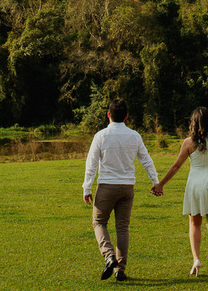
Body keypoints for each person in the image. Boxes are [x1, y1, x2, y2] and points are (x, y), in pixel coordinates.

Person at [82, 99, 162, 282]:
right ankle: (120, 270)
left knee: (99, 222)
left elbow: (91, 164)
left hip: (106, 187)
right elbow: (146, 160)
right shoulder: (134, 136)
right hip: (127, 187)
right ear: (126, 116)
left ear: (108, 114)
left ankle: (109, 255)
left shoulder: (101, 136)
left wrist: (87, 187)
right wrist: (155, 181)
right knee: (122, 228)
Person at [152, 106, 208, 279]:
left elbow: (176, 166)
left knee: (194, 223)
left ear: (193, 123)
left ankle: (196, 260)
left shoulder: (188, 143)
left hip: (195, 184)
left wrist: (161, 184)